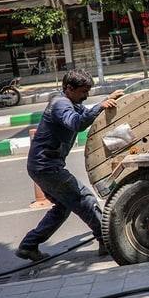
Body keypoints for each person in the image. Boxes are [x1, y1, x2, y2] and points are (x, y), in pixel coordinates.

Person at [16, 69, 123, 261]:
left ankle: (28, 245)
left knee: (63, 207)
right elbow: (77, 123)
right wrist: (100, 106)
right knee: (85, 198)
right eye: (83, 92)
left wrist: (106, 101)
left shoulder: (71, 102)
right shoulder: (61, 105)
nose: (86, 96)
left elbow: (87, 114)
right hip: (46, 167)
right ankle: (107, 241)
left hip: (43, 165)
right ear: (69, 88)